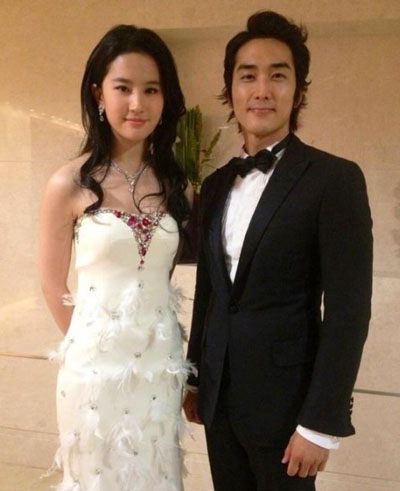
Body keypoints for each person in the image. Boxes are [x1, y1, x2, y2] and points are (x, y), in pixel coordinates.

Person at [184, 10, 373, 491]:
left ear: (298, 90)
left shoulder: (334, 179)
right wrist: (195, 377)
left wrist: (321, 423)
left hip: (288, 412)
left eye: (278, 75)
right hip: (219, 402)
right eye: (248, 76)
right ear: (230, 89)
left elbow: (349, 311)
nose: (262, 89)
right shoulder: (215, 185)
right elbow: (210, 291)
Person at [40, 24, 194, 491]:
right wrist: (94, 348)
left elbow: (159, 280)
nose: (137, 104)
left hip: (160, 366)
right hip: (93, 371)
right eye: (123, 88)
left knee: (158, 474)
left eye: (151, 90)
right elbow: (52, 286)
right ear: (98, 94)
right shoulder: (68, 183)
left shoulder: (178, 185)